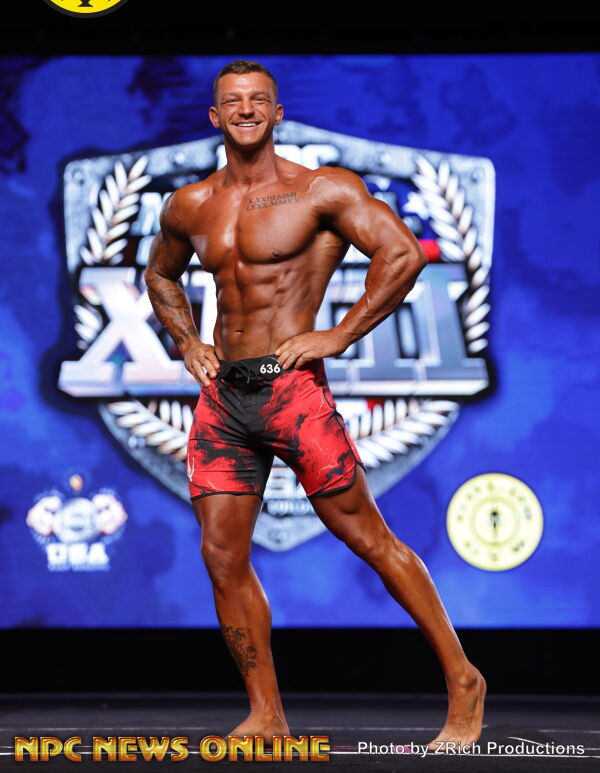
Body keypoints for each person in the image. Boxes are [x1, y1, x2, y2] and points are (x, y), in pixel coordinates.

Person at [144, 59, 486, 748]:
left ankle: (464, 678)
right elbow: (160, 274)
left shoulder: (321, 189)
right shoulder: (190, 205)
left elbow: (402, 254)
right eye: (232, 101)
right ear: (214, 116)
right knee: (221, 556)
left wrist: (338, 334)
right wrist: (186, 341)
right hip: (224, 398)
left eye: (258, 100)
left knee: (368, 537)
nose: (245, 110)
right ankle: (266, 714)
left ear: (277, 113)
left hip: (292, 392)